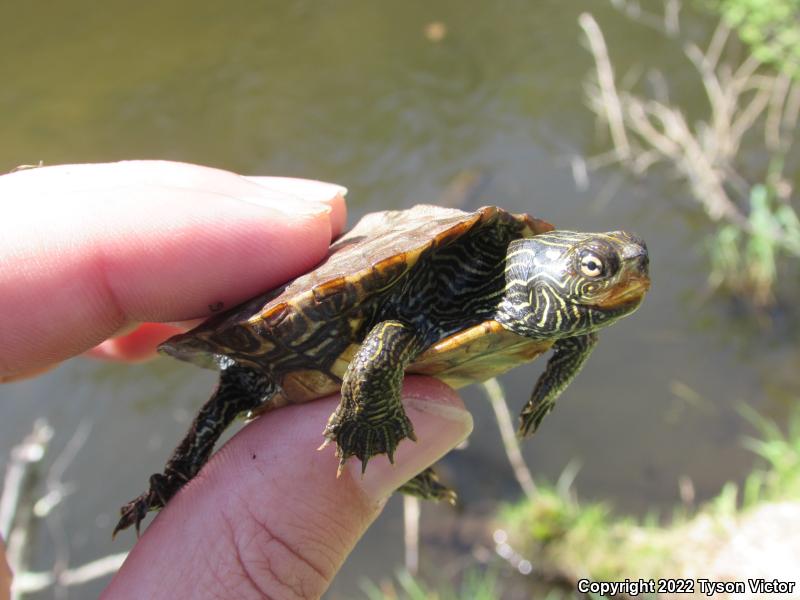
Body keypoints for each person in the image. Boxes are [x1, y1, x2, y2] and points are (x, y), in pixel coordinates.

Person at [0, 161, 473, 600]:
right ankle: (175, 479)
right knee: (235, 390)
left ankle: (395, 459)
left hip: (343, 348)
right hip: (278, 344)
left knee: (268, 391)